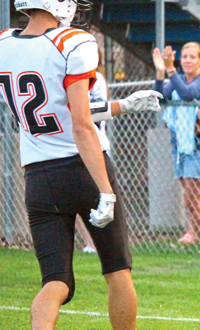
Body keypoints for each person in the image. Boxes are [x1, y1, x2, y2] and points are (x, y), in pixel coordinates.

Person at [0, 0, 163, 327]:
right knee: (117, 270)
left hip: (38, 174)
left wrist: (124, 105)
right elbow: (80, 124)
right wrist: (105, 190)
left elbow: (56, 111)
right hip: (85, 168)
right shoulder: (72, 42)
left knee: (55, 281)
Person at [153, 42, 200, 258]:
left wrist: (170, 70)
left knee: (194, 199)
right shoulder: (178, 77)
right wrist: (160, 72)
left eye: (193, 57)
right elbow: (161, 97)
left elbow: (188, 94)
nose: (188, 61)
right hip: (180, 144)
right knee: (193, 201)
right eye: (185, 57)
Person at [76, 50, 111, 254]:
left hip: (94, 145)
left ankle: (100, 242)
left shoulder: (96, 78)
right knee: (76, 197)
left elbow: (99, 111)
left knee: (96, 196)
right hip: (69, 147)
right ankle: (89, 242)